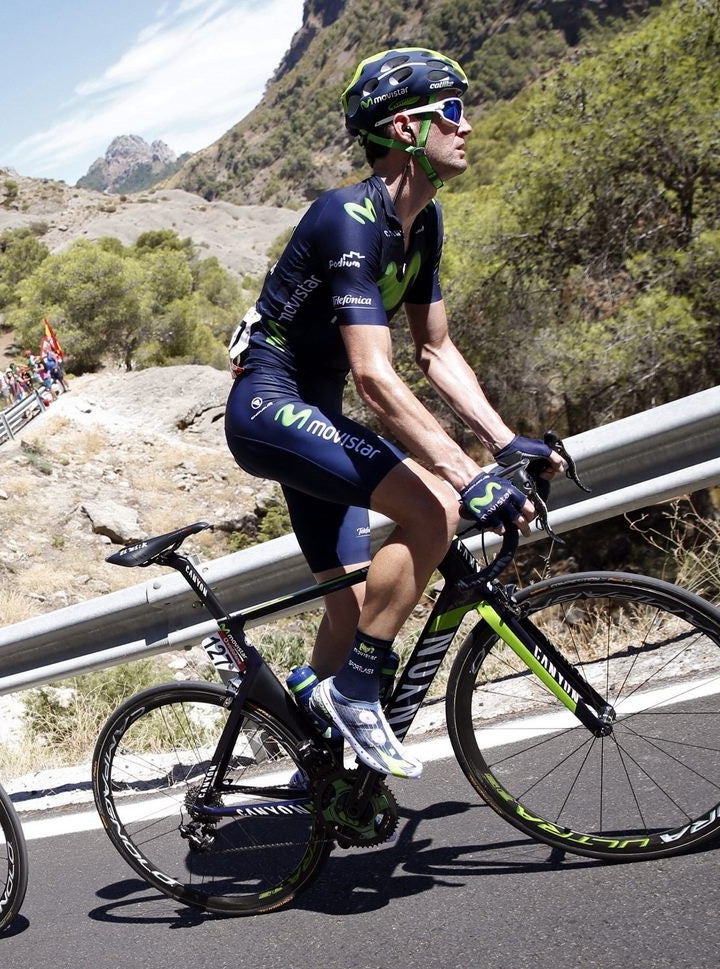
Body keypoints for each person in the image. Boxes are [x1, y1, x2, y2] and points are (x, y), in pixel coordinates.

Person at [224, 48, 562, 781]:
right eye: (452, 112)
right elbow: (376, 380)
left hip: (310, 409)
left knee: (348, 607)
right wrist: (466, 473)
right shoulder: (345, 218)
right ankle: (356, 691)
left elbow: (435, 350)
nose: (467, 125)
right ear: (406, 128)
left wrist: (507, 443)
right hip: (267, 406)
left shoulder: (424, 223)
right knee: (435, 505)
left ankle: (311, 758)